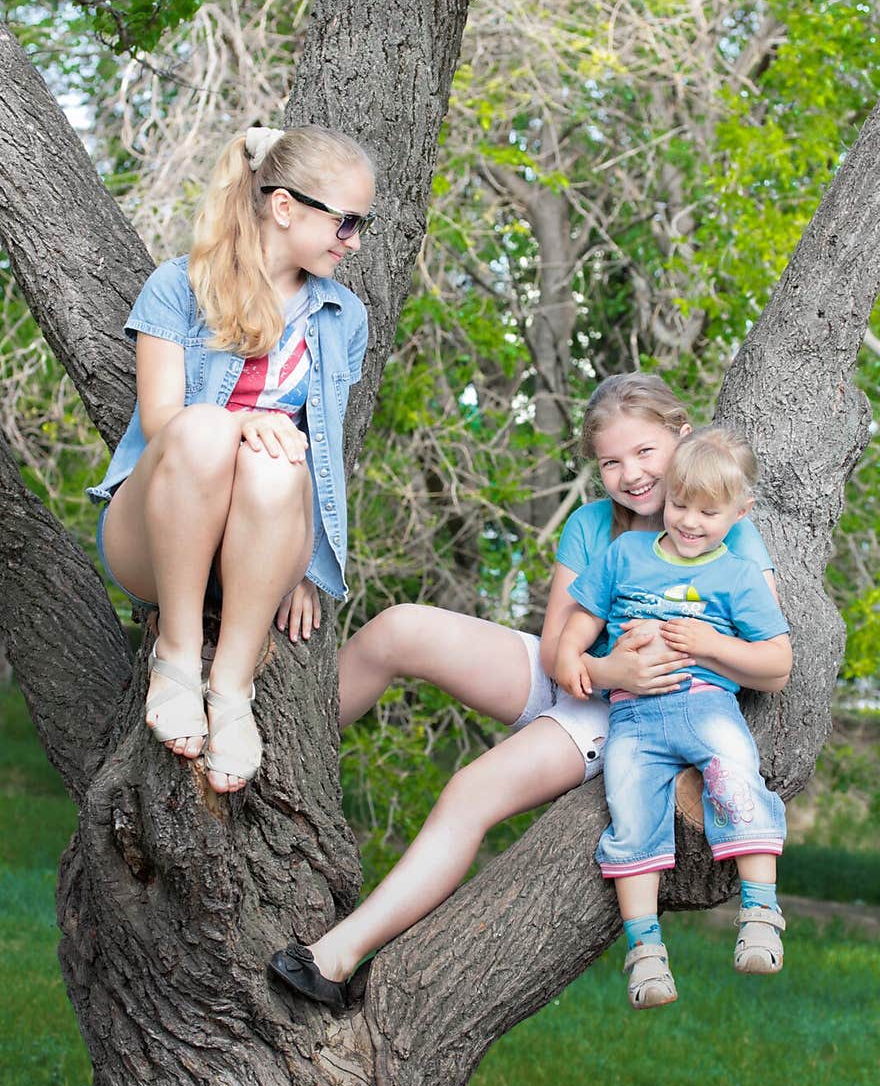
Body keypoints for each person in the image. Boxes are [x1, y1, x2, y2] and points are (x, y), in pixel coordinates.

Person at [268, 374, 787, 1011]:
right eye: (611, 462)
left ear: (681, 438)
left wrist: (633, 674)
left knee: (469, 792)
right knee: (399, 628)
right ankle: (273, 760)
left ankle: (335, 958)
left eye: (646, 453)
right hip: (587, 676)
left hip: (637, 711)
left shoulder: (724, 526)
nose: (632, 474)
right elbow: (555, 648)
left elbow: (765, 656)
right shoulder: (593, 525)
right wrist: (606, 669)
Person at [86, 124, 376, 794]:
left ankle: (232, 685)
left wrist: (302, 562)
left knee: (279, 463)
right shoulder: (178, 286)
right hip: (159, 534)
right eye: (346, 221)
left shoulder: (342, 316)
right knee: (205, 429)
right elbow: (163, 425)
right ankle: (179, 657)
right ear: (284, 207)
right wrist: (246, 422)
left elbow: (317, 458)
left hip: (261, 537)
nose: (354, 240)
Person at [555, 425, 792, 1010]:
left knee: (738, 781)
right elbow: (575, 636)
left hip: (707, 706)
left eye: (709, 512)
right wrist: (585, 661)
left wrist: (710, 643)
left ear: (741, 512)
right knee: (630, 820)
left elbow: (777, 665)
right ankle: (645, 953)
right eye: (680, 503)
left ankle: (760, 912)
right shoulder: (624, 555)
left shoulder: (736, 574)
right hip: (633, 719)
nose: (689, 521)